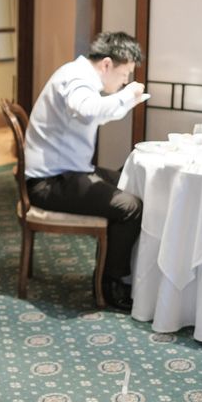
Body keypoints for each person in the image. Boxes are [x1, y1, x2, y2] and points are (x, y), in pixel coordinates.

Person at [24, 31, 144, 311]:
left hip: (68, 172)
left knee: (128, 181)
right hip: (49, 182)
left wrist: (127, 98)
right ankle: (110, 282)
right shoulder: (76, 78)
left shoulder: (80, 74)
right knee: (130, 206)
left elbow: (100, 113)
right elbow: (88, 110)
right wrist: (127, 96)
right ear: (106, 64)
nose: (125, 80)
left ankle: (118, 272)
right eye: (124, 74)